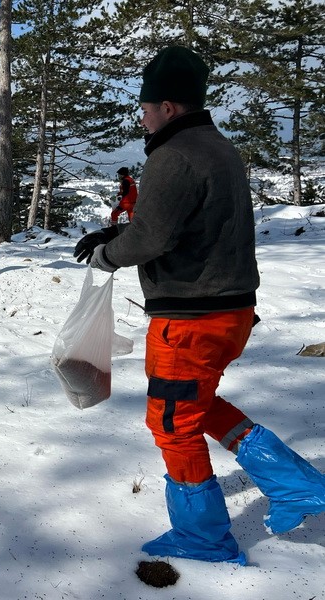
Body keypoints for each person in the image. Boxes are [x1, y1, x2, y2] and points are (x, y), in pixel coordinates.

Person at [74, 46, 325, 564]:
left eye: (145, 107)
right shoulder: (216, 147)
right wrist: (122, 230)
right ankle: (295, 482)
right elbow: (185, 222)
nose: (141, 117)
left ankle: (203, 536)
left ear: (168, 106)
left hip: (191, 317)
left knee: (171, 423)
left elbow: (153, 238)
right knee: (197, 402)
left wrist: (108, 253)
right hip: (230, 312)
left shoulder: (174, 155)